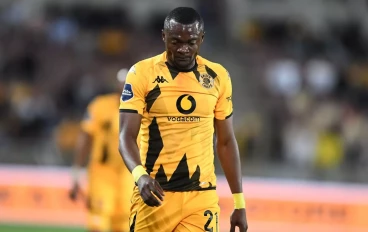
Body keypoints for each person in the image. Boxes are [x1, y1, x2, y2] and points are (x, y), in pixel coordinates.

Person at [119, 7, 248, 232]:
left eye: (191, 42)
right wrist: (140, 177)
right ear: (163, 36)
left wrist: (239, 202)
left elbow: (226, 142)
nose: (183, 49)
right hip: (155, 194)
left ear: (202, 39)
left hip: (201, 199)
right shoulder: (142, 73)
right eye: (176, 42)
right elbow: (125, 136)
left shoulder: (218, 77)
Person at [69, 69, 134, 232]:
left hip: (129, 173)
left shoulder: (143, 110)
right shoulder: (100, 106)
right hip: (102, 171)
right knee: (98, 221)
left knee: (125, 223)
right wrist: (76, 170)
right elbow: (85, 136)